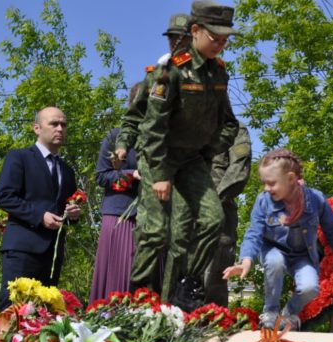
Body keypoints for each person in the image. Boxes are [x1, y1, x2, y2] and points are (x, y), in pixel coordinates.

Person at [121, 0, 239, 311]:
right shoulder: (170, 72)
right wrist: (160, 174)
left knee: (213, 220)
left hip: (192, 160)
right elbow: (153, 127)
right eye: (215, 37)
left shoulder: (219, 73)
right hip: (160, 158)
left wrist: (209, 149)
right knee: (156, 231)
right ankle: (138, 297)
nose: (220, 44)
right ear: (196, 30)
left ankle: (187, 284)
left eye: (225, 39)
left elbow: (228, 122)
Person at [223, 149, 333, 331]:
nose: (266, 188)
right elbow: (254, 233)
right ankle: (270, 312)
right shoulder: (264, 201)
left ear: (291, 179)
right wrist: (246, 260)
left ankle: (288, 314)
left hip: (303, 256)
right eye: (264, 183)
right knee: (275, 262)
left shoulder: (315, 200)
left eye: (271, 183)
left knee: (310, 288)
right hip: (275, 250)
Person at [114, 13, 193, 295]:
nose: (176, 43)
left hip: (186, 169)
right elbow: (133, 118)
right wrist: (123, 144)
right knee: (150, 232)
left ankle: (172, 301)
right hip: (154, 167)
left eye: (181, 38)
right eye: (172, 38)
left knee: (180, 237)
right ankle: (140, 299)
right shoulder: (159, 73)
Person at [0, 107, 80, 310]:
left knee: (44, 315)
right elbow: (5, 197)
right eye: (54, 124)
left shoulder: (67, 170)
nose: (60, 128)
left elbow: (65, 209)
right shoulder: (19, 157)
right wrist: (39, 216)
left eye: (63, 124)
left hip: (52, 254)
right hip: (22, 250)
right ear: (37, 128)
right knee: (14, 312)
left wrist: (73, 215)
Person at [89, 84, 142, 301]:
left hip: (157, 219)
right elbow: (102, 176)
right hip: (122, 216)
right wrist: (132, 175)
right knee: (122, 283)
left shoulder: (165, 141)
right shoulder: (115, 137)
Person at [203, 123, 252, 307]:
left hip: (218, 218)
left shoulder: (235, 130)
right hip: (181, 219)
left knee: (212, 286)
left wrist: (212, 203)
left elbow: (239, 170)